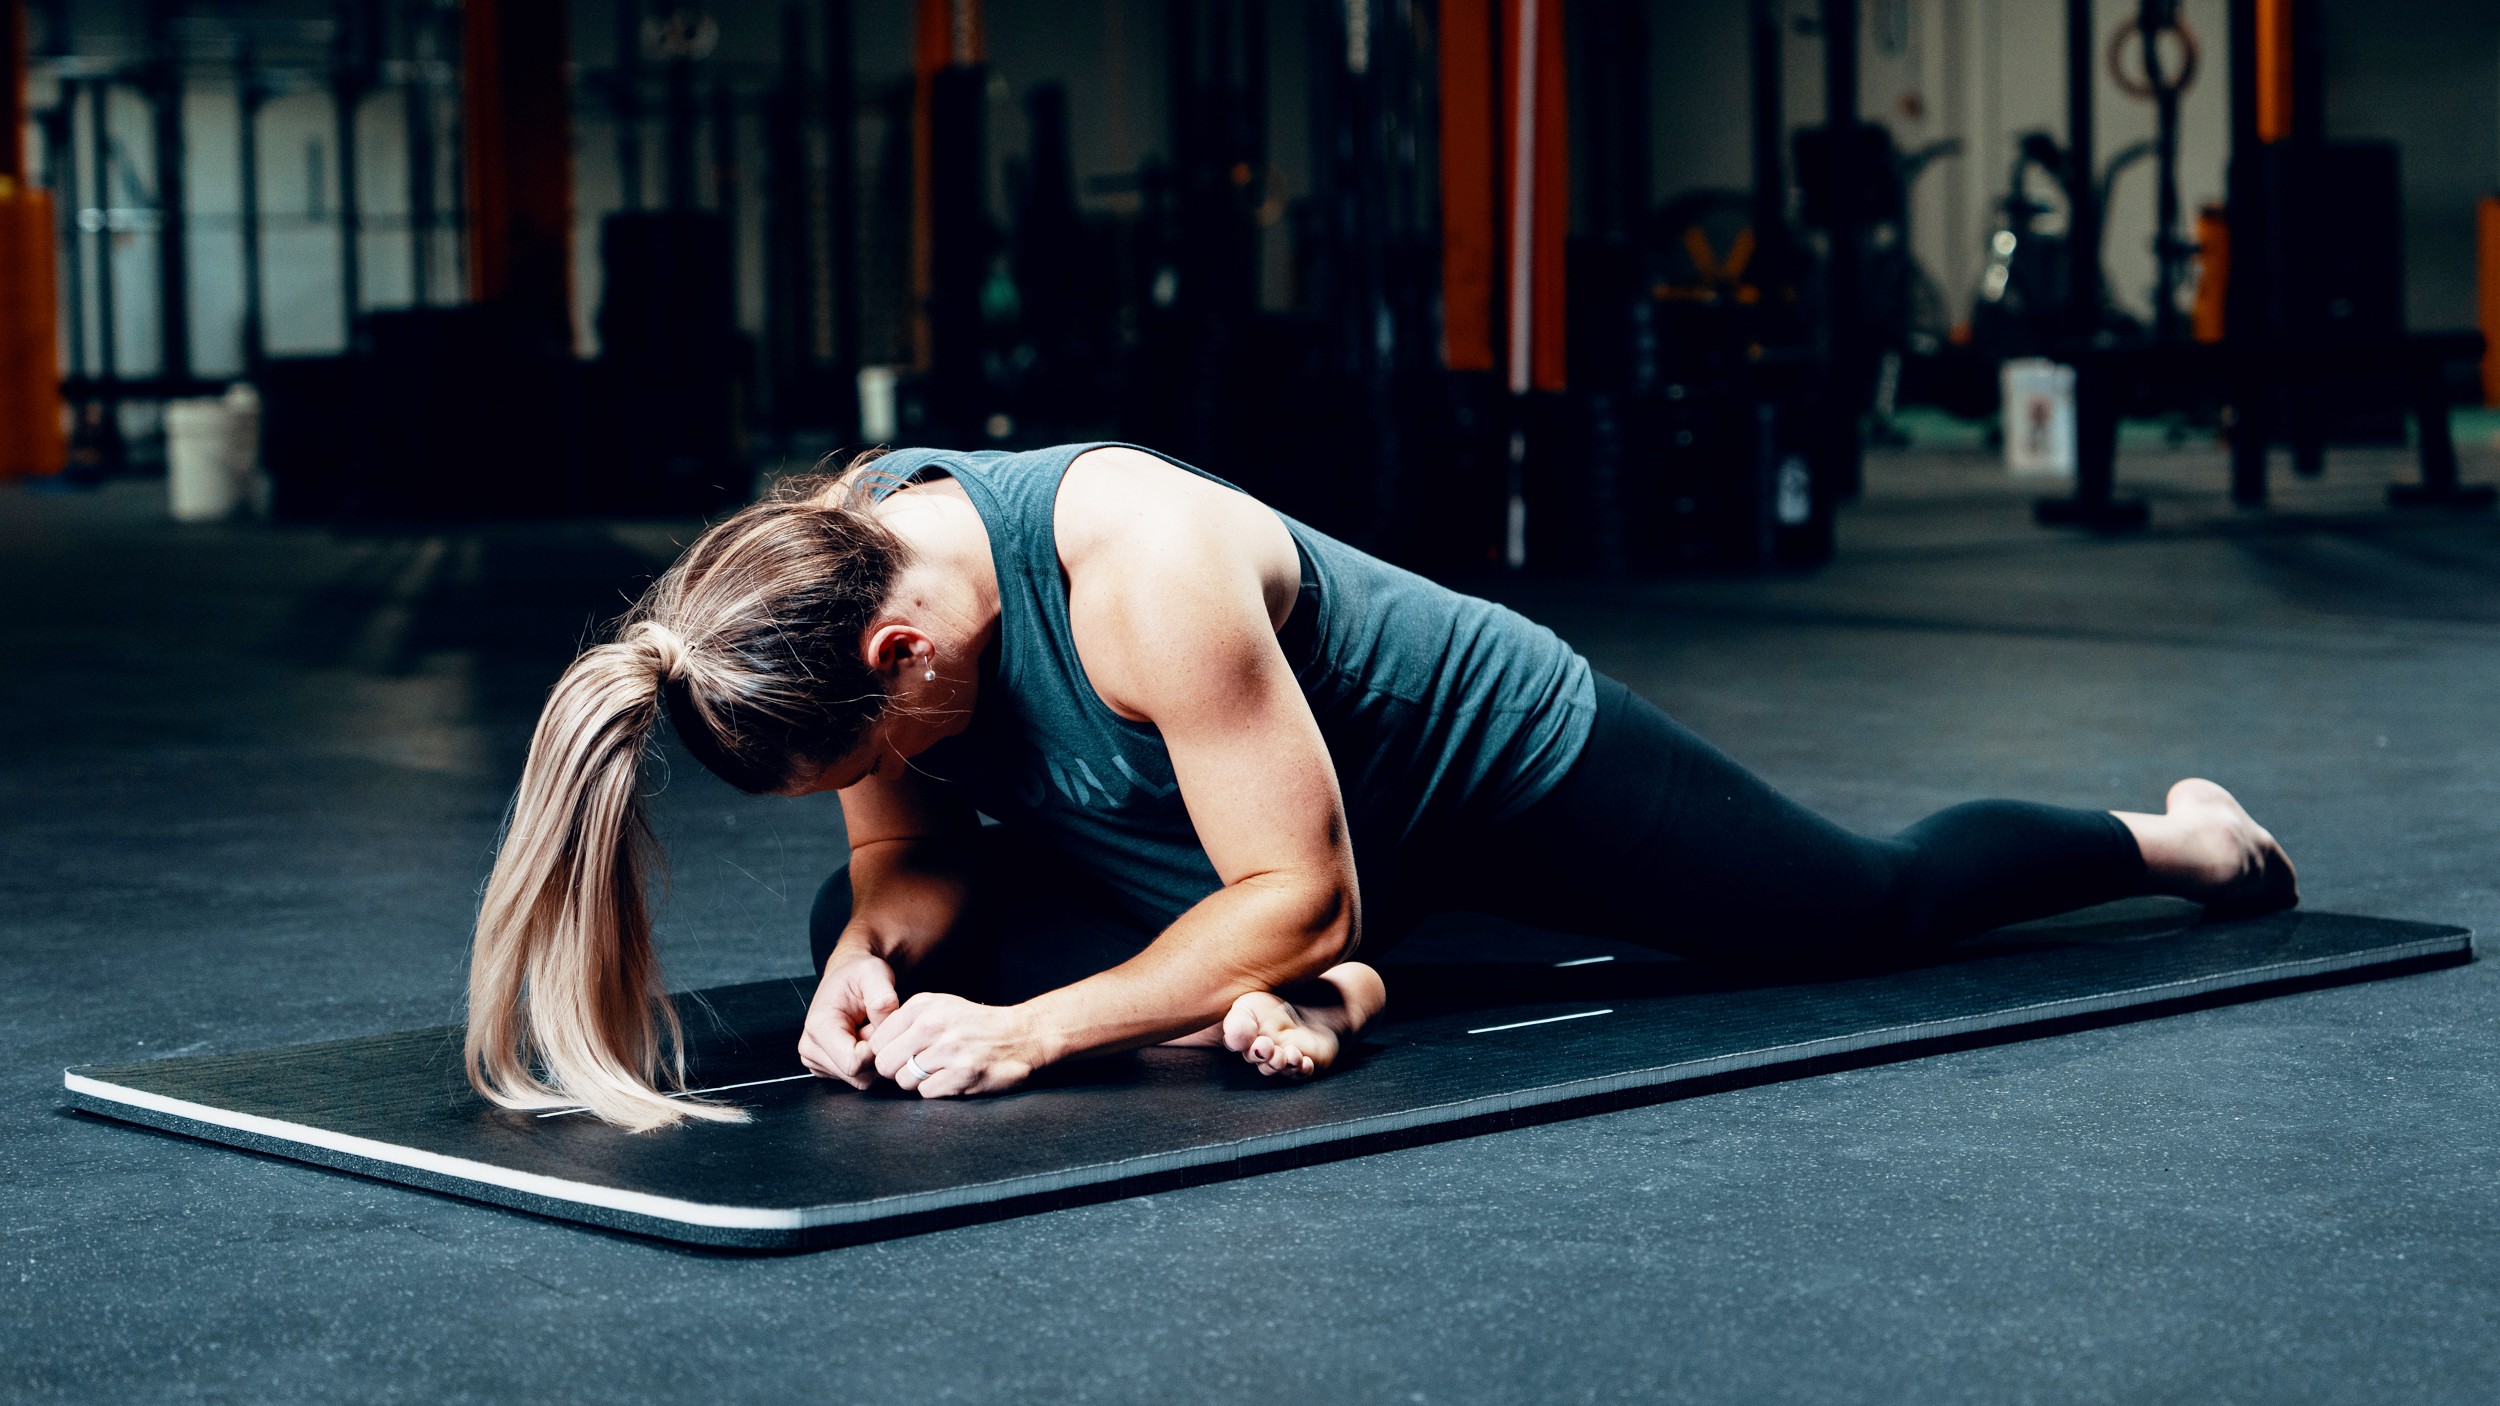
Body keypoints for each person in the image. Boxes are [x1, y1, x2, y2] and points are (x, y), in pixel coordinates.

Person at [464, 443, 2297, 1130]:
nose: (880, 776)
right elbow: (908, 832)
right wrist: (881, 933)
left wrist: (1036, 1034)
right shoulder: (839, 573)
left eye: (871, 745)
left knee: (1859, 909)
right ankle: (1328, 999)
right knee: (875, 943)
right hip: (1213, 825)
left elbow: (1300, 882)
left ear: (900, 662)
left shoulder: (1137, 569)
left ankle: (2175, 832)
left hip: (1478, 772)